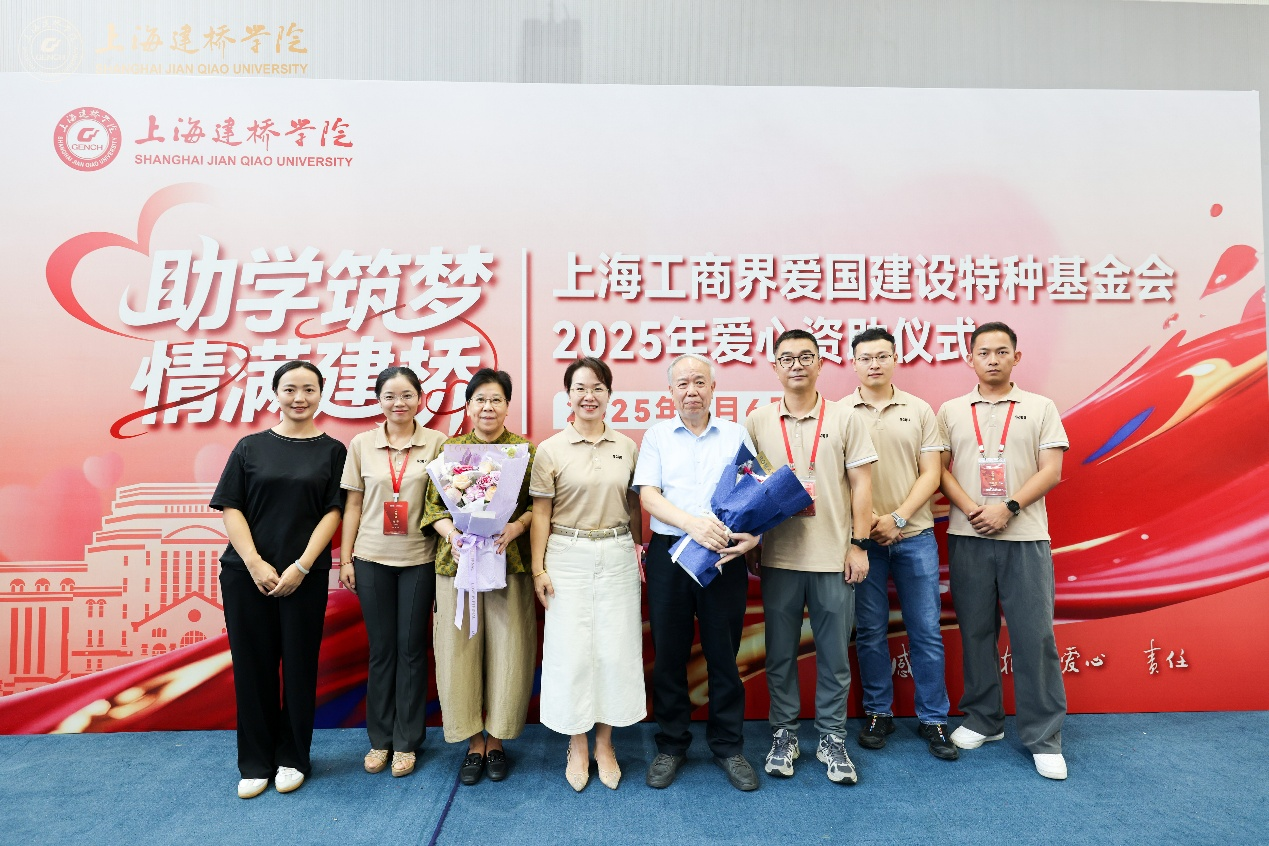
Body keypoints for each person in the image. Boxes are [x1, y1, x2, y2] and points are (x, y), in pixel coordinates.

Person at [937, 321, 1070, 780]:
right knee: (976, 632)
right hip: (968, 534)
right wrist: (974, 508)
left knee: (1034, 637)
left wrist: (1008, 507)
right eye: (983, 352)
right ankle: (984, 720)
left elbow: (1051, 470)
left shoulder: (1040, 407)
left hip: (1025, 537)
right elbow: (939, 470)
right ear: (969, 358)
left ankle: (1044, 737)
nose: (992, 359)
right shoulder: (952, 410)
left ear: (1016, 356)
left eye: (1001, 351)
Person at [743, 329, 876, 785]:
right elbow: (750, 488)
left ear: (821, 364)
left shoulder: (845, 417)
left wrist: (859, 544)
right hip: (779, 558)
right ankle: (784, 734)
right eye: (787, 358)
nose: (796, 365)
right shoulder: (758, 420)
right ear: (774, 367)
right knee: (779, 655)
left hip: (833, 558)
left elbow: (862, 485)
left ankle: (832, 737)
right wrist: (754, 542)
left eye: (806, 357)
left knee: (834, 656)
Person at [210, 361, 346, 799]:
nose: (299, 397)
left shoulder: (333, 451)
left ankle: (293, 758)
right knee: (253, 669)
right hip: (246, 576)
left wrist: (302, 566)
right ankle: (255, 762)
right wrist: (253, 563)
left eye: (308, 389)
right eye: (290, 389)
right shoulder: (249, 447)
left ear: (321, 394)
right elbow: (231, 506)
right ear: (276, 394)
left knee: (301, 668)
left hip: (305, 576)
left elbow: (334, 512)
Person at [633, 353, 762, 792]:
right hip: (671, 552)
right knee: (669, 654)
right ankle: (671, 744)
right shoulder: (656, 436)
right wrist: (692, 524)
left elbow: (752, 491)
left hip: (723, 554)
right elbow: (648, 496)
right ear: (670, 391)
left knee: (724, 653)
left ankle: (728, 746)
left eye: (699, 382)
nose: (692, 391)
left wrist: (753, 537)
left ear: (713, 388)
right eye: (683, 383)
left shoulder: (735, 434)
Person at [530, 357, 645, 791]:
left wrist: (637, 549)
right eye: (580, 388)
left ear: (609, 394)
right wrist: (539, 568)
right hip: (567, 554)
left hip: (616, 552)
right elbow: (541, 514)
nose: (589, 396)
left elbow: (634, 505)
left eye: (597, 388)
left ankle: (604, 743)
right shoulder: (551, 449)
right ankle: (576, 743)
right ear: (568, 396)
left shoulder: (627, 446)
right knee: (571, 652)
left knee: (615, 650)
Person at [420, 368, 535, 786]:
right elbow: (433, 508)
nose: (488, 407)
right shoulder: (451, 451)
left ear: (507, 405)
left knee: (510, 648)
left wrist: (516, 527)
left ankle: (498, 739)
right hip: (457, 565)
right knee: (458, 650)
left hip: (509, 560)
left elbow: (538, 506)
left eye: (496, 399)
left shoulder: (524, 451)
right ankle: (472, 741)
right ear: (468, 406)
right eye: (480, 399)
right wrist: (453, 535)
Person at [846, 328, 957, 761]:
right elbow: (842, 479)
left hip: (915, 537)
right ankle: (879, 712)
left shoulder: (919, 409)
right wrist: (869, 526)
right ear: (853, 363)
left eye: (881, 356)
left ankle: (934, 718)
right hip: (863, 542)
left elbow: (932, 473)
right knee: (870, 631)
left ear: (896, 359)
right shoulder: (840, 412)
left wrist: (896, 518)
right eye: (865, 357)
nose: (873, 364)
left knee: (926, 630)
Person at [338, 367, 447, 778]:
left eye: (406, 395)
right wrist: (346, 559)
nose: (398, 403)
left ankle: (407, 742)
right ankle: (379, 739)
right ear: (379, 400)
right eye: (389, 396)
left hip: (419, 559)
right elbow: (352, 504)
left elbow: (445, 502)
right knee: (381, 651)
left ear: (420, 398)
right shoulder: (361, 444)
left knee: (411, 650)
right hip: (371, 558)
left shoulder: (437, 442)